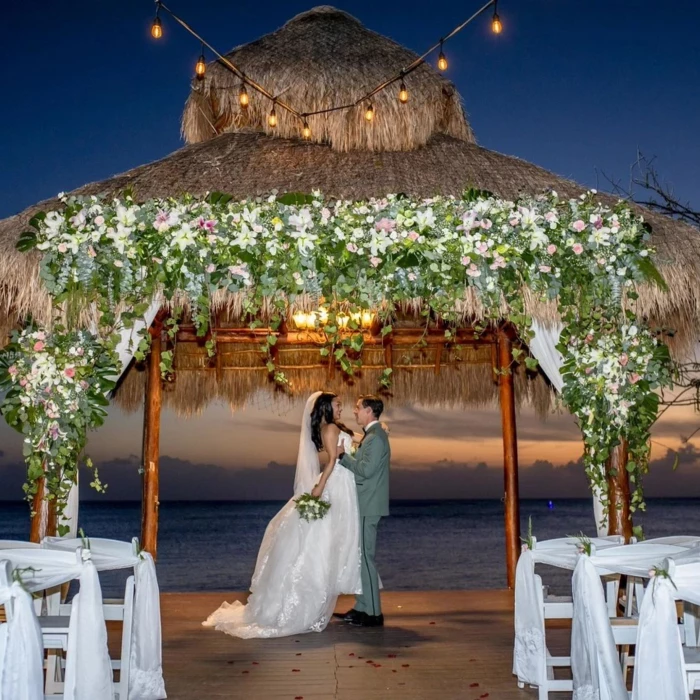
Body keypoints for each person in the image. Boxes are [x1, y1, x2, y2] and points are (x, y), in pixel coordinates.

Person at [202, 391, 362, 638]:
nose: (341, 407)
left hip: (343, 484)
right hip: (335, 485)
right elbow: (332, 461)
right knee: (318, 547)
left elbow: (355, 441)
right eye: (337, 404)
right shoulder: (329, 428)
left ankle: (311, 601)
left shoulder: (335, 426)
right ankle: (299, 607)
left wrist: (374, 431)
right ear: (326, 407)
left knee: (325, 545)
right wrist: (319, 488)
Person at [334, 395, 391, 628]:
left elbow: (366, 470)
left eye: (358, 408)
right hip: (365, 503)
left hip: (369, 504)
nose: (355, 412)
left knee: (366, 559)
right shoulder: (372, 436)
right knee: (361, 558)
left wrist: (342, 457)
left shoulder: (376, 438)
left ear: (369, 410)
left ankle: (374, 614)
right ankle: (362, 607)